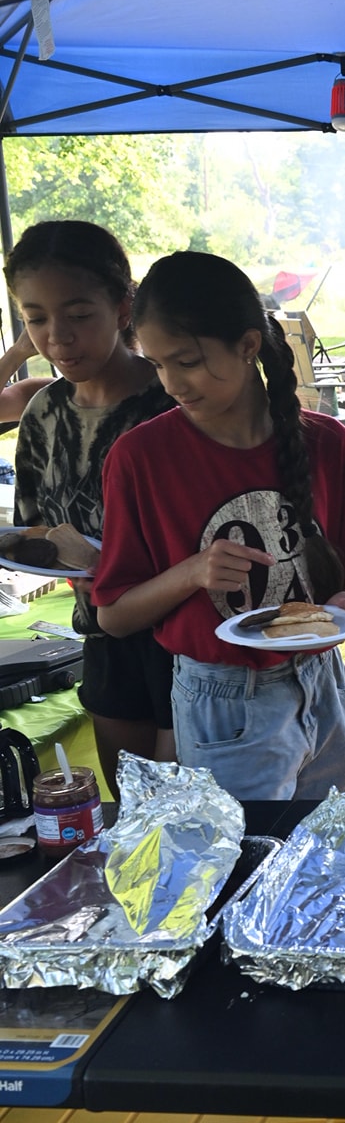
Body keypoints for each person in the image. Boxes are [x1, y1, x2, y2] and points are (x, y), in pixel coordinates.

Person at [91, 251, 345, 800]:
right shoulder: (140, 459)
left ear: (248, 345)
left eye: (186, 361)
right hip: (221, 699)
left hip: (325, 682)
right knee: (242, 866)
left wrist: (340, 605)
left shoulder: (330, 447)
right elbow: (112, 615)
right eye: (158, 365)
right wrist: (192, 574)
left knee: (332, 857)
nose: (172, 382)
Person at [5, 219, 176, 788]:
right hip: (104, 635)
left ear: (124, 306)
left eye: (78, 315)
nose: (59, 338)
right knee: (136, 811)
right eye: (36, 321)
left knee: (199, 813)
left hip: (190, 641)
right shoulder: (43, 416)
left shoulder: (176, 402)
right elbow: (36, 536)